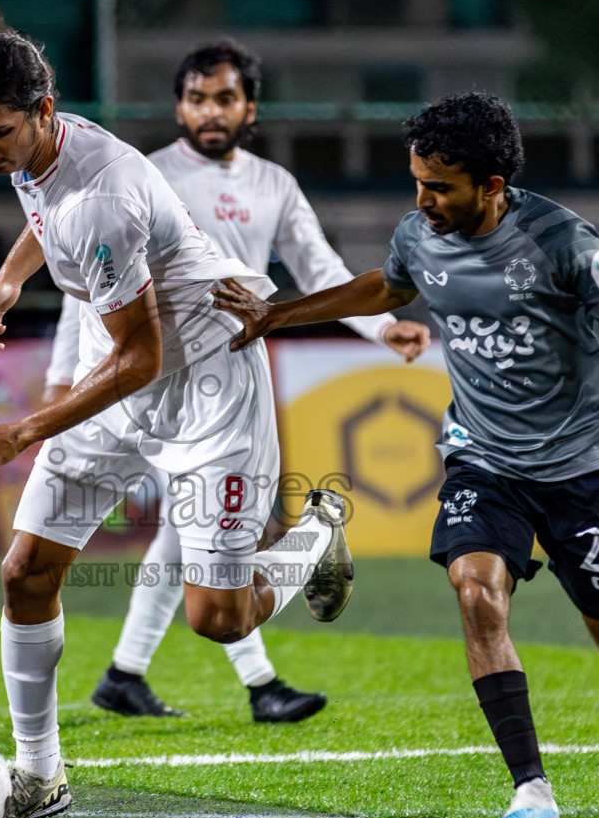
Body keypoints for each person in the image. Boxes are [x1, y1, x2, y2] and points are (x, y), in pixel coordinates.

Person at [214, 91, 599, 818]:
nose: (422, 200)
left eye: (440, 187)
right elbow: (387, 286)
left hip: (578, 473)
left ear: (492, 186)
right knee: (476, 590)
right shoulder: (419, 234)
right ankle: (534, 795)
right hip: (481, 458)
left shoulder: (565, 243)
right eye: (417, 182)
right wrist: (279, 313)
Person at [0, 15, 362, 818]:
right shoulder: (43, 145)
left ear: (43, 108)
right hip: (121, 364)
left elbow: (142, 358)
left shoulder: (104, 198)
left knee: (218, 618)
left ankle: (315, 535)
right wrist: (7, 283)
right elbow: (40, 212)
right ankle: (40, 774)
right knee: (25, 573)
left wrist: (23, 430)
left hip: (203, 385)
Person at [42, 39, 430, 724]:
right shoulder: (142, 174)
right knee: (203, 538)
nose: (210, 111)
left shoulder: (273, 184)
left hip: (228, 384)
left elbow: (319, 266)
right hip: (144, 377)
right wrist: (62, 379)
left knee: (194, 536)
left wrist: (380, 329)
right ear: (178, 107)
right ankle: (243, 679)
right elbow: (87, 289)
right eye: (197, 98)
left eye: (224, 98)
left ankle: (144, 675)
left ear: (250, 106)